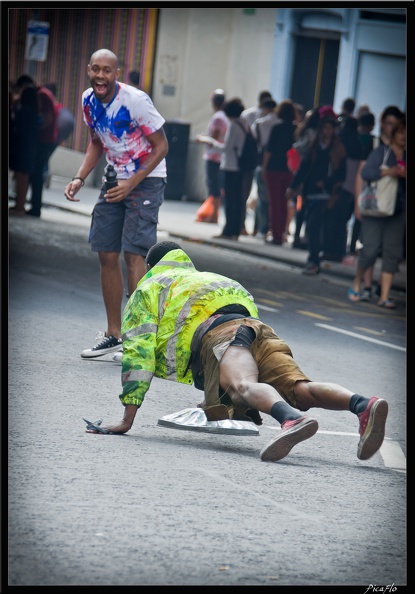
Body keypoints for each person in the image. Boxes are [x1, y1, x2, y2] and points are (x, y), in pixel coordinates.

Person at [86, 240, 389, 465]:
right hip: (256, 328)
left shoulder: (150, 287)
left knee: (243, 386)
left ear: (152, 267)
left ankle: (291, 420)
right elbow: (243, 332)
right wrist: (210, 397)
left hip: (221, 333)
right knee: (300, 388)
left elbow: (138, 353)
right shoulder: (212, 279)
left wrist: (127, 418)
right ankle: (363, 405)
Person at [64, 48, 168, 357]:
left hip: (146, 181)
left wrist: (131, 184)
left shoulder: (135, 101)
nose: (100, 76)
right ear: (88, 69)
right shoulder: (88, 100)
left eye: (106, 70)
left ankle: (137, 341)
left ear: (116, 74)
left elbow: (161, 147)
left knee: (134, 255)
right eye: (95, 69)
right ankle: (114, 334)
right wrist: (80, 177)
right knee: (105, 253)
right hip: (115, 178)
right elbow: (97, 141)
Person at [348, 116, 406, 309]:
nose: (404, 136)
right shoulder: (382, 152)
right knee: (370, 250)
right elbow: (366, 174)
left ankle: (384, 296)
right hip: (377, 207)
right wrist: (390, 172)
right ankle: (357, 282)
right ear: (394, 134)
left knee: (392, 253)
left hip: (398, 210)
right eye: (401, 132)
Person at [286, 107, 347, 275]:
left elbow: (341, 173)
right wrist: (293, 186)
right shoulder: (314, 147)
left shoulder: (337, 149)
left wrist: (327, 183)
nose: (327, 131)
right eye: (325, 128)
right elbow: (303, 168)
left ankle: (316, 259)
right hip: (311, 192)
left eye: (330, 128)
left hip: (328, 194)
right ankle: (313, 258)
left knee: (319, 226)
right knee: (311, 226)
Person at [12, 74, 58, 217]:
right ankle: (33, 206)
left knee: (34, 173)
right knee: (34, 173)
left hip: (44, 140)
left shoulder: (41, 95)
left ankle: (35, 208)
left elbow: (48, 119)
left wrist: (33, 131)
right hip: (45, 139)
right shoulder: (43, 93)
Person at [322, 116, 363, 262]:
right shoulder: (358, 143)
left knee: (332, 220)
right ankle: (339, 251)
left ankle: (330, 251)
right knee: (342, 221)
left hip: (339, 185)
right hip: (353, 188)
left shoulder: (340, 140)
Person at [262, 99, 298, 245]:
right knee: (285, 202)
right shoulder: (297, 130)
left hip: (274, 168)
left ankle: (276, 234)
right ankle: (282, 232)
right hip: (289, 170)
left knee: (274, 202)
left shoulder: (276, 128)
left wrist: (264, 167)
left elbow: (269, 150)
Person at [239, 90, 273, 235]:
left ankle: (243, 226)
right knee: (262, 195)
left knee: (245, 193)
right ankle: (257, 228)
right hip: (262, 161)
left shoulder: (248, 115)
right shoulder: (272, 121)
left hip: (248, 160)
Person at [195, 89, 229, 224]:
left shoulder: (218, 117)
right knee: (216, 186)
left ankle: (214, 215)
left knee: (213, 186)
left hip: (214, 157)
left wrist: (202, 139)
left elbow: (214, 138)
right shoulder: (224, 116)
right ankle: (214, 214)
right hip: (220, 157)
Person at [290, 107, 321, 250]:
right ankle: (302, 237)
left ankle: (297, 236)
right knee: (304, 208)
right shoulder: (317, 135)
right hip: (310, 176)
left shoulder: (308, 133)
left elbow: (298, 148)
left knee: (300, 208)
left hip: (303, 175)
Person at [9, 84, 39, 216]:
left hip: (22, 147)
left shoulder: (23, 111)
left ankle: (19, 206)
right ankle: (19, 205)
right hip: (30, 147)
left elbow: (18, 130)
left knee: (21, 177)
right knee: (24, 177)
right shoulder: (33, 112)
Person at [250, 98, 278, 239]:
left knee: (262, 198)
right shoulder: (280, 124)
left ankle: (261, 228)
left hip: (262, 163)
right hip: (279, 165)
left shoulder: (260, 123)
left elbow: (255, 143)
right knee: (276, 199)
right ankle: (274, 229)